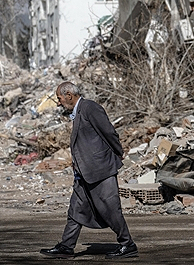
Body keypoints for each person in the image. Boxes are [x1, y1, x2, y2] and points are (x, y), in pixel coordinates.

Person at [40, 82, 138, 259]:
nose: (58, 102)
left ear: (69, 95)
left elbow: (108, 132)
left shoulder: (90, 108)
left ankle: (127, 244)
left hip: (100, 169)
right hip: (84, 172)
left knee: (110, 208)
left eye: (60, 98)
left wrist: (118, 153)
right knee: (75, 209)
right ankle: (66, 246)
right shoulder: (78, 112)